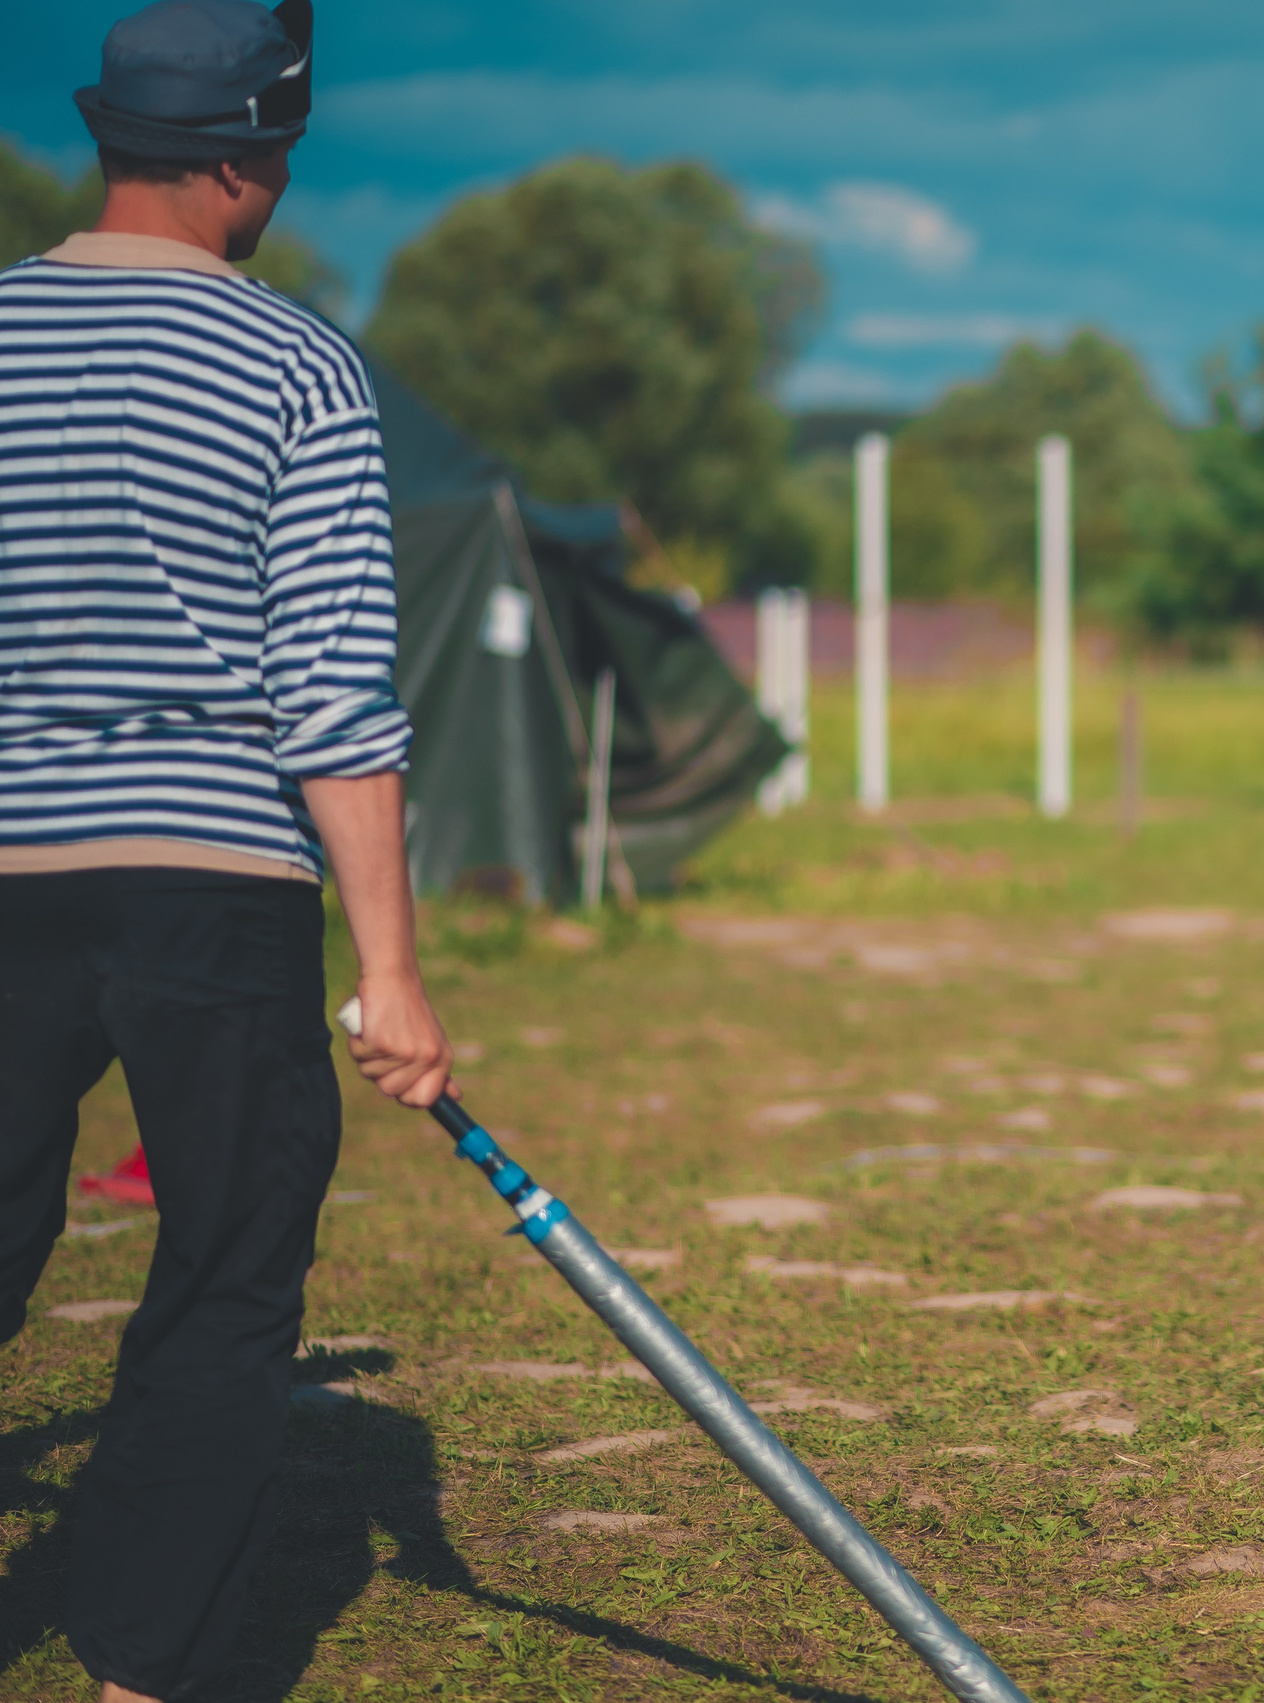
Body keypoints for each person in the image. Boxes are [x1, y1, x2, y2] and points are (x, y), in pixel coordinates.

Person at [0, 4, 454, 1698]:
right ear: (247, 164)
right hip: (212, 888)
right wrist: (393, 970)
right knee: (226, 1285)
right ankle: (134, 1674)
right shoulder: (294, 365)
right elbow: (333, 695)